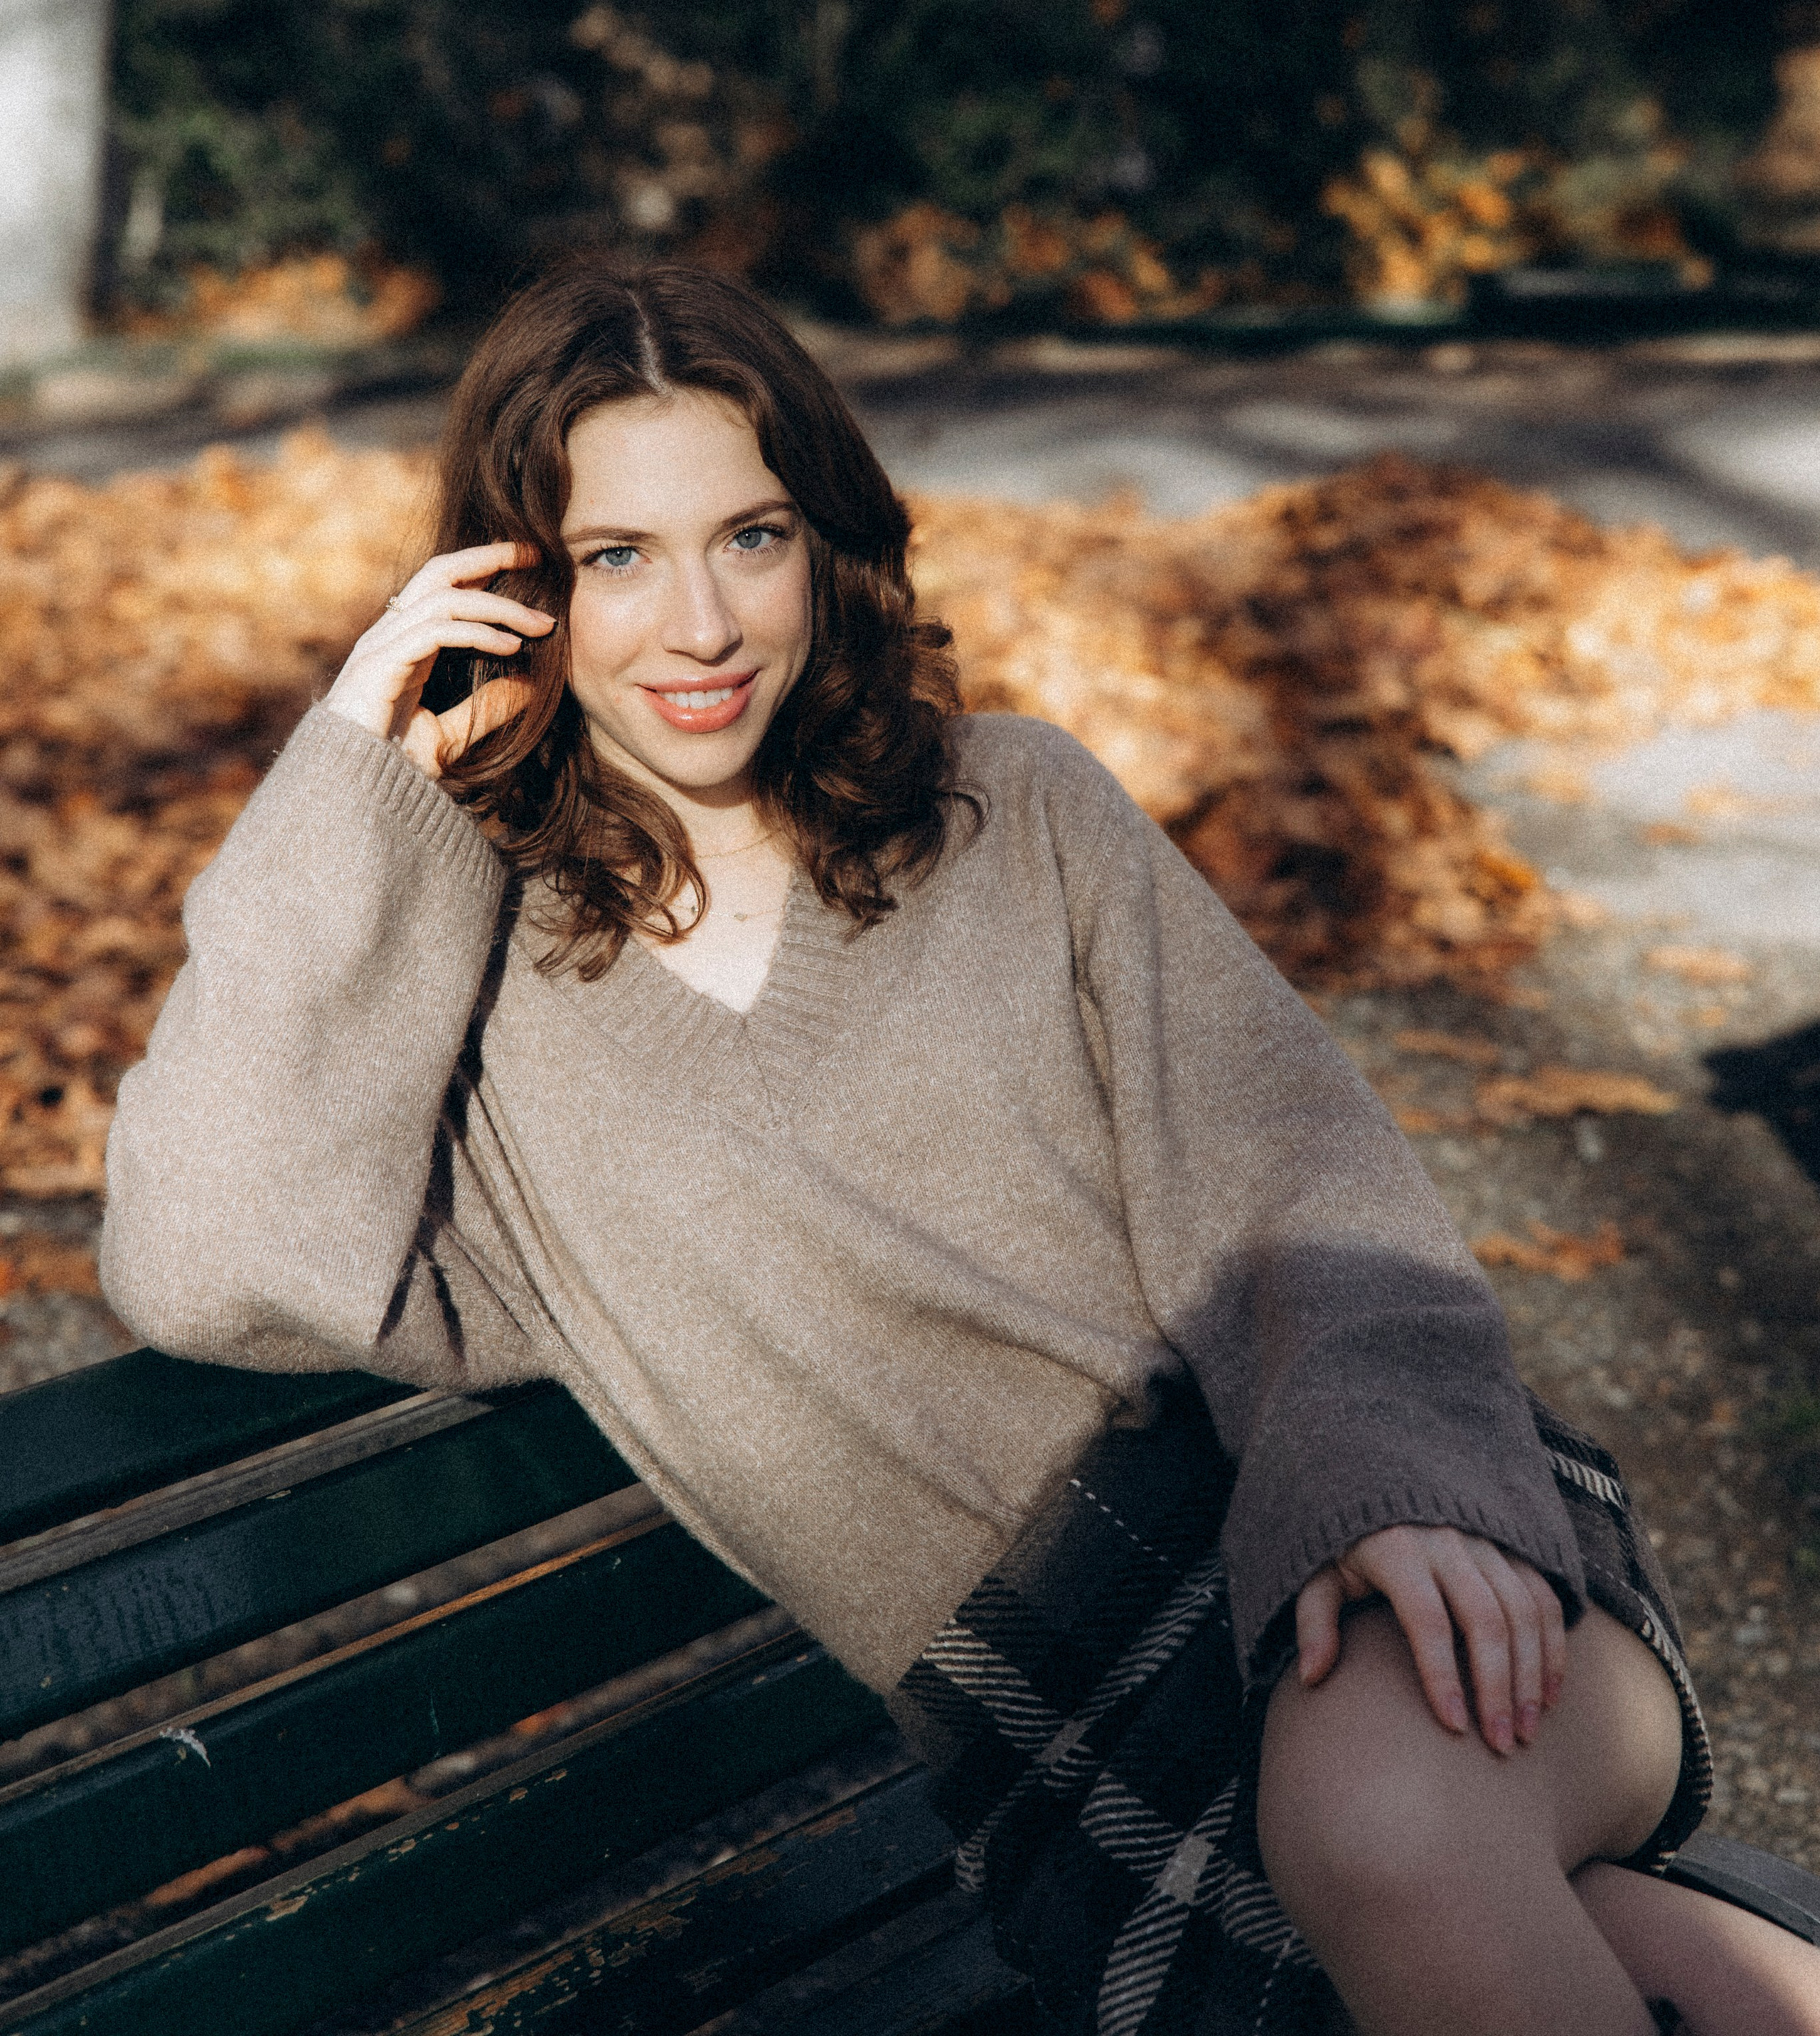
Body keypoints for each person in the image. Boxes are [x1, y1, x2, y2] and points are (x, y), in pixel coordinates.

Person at [101, 263, 1820, 2036]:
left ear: (821, 540)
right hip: (1078, 1746)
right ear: (505, 593)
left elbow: (1298, 1187)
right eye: (614, 558)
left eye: (749, 537)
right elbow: (200, 1255)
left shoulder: (1017, 813)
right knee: (1504, 1921)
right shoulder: (481, 1015)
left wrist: (1387, 1482)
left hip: (1348, 1558)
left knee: (1385, 1829)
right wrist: (352, 775)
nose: (697, 623)